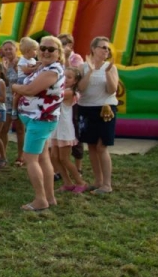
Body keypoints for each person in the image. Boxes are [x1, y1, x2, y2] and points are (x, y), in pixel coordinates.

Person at [11, 35, 65, 212]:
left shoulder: (53, 70)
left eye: (51, 49)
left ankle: (40, 200)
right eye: (43, 48)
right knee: (43, 158)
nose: (46, 52)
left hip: (40, 120)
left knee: (30, 159)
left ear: (59, 53)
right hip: (37, 119)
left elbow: (30, 89)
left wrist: (14, 87)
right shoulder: (43, 67)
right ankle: (49, 197)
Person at [77, 36, 119, 194]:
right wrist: (90, 71)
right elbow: (80, 88)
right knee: (92, 146)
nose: (106, 50)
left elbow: (112, 90)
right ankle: (98, 181)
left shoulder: (111, 67)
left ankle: (107, 184)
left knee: (102, 146)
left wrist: (107, 73)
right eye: (103, 47)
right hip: (86, 108)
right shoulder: (82, 67)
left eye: (107, 48)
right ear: (93, 49)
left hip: (105, 109)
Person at [51, 66, 86, 193]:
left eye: (69, 77)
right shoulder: (62, 89)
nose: (65, 79)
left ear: (75, 81)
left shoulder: (70, 92)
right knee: (54, 157)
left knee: (64, 158)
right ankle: (68, 183)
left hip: (65, 129)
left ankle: (80, 182)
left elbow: (53, 95)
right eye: (63, 76)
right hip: (56, 128)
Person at [0, 40, 26, 166]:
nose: (8, 51)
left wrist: (15, 68)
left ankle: (21, 157)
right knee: (4, 128)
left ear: (16, 49)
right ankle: (2, 156)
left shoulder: (22, 62)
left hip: (19, 100)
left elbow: (25, 80)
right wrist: (4, 70)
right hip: (7, 100)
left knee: (20, 129)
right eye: (5, 49)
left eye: (10, 49)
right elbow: (2, 83)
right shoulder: (3, 64)